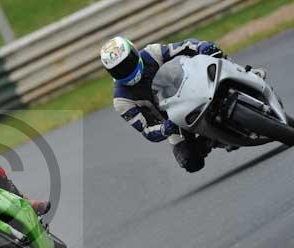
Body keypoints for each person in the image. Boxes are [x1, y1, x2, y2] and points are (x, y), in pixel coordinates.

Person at [100, 36, 266, 173]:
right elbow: (147, 130)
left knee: (214, 56)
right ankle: (214, 139)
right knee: (190, 162)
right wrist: (165, 128)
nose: (126, 70)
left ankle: (246, 74)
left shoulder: (152, 53)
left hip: (193, 85)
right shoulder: (121, 101)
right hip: (174, 119)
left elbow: (185, 46)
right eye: (119, 70)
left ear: (134, 53)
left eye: (128, 62)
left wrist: (202, 47)